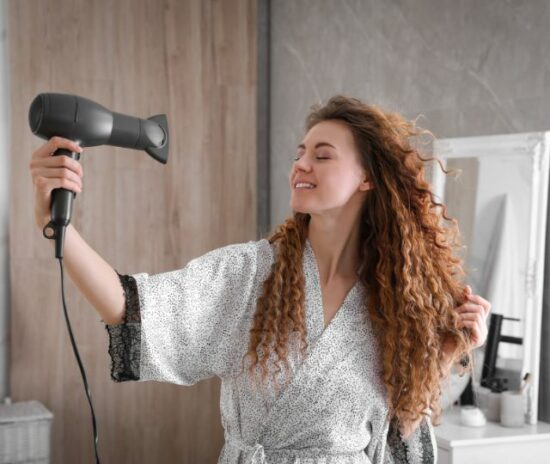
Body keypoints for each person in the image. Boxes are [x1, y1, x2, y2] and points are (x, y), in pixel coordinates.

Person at [29, 95, 491, 464]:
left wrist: (445, 354)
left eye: (322, 155)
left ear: (367, 178)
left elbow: (398, 436)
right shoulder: (251, 274)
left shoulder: (392, 303)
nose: (300, 165)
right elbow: (132, 309)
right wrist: (59, 229)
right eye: (299, 153)